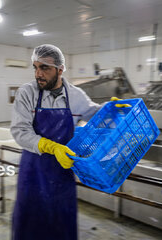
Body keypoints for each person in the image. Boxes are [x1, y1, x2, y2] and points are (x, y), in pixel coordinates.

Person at [10, 44, 101, 240]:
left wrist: (112, 108)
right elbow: (20, 131)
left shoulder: (76, 96)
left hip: (62, 173)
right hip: (33, 172)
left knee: (61, 225)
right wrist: (50, 146)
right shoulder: (27, 93)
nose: (38, 74)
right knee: (30, 226)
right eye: (35, 67)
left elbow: (96, 114)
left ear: (60, 69)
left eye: (44, 68)